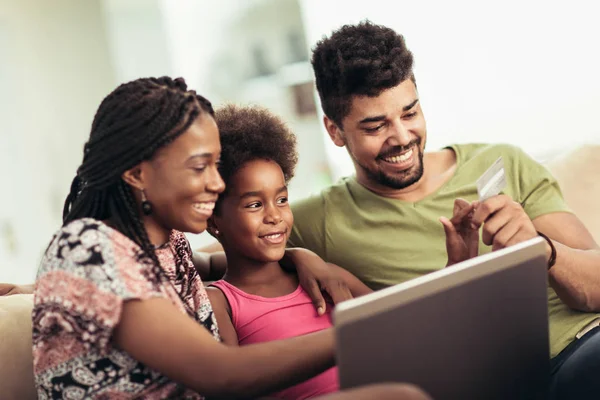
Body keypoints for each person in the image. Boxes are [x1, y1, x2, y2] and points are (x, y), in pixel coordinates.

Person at [24, 76, 432, 400]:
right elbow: (221, 374)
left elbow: (223, 264)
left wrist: (301, 256)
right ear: (136, 173)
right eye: (200, 167)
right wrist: (364, 329)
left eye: (217, 167)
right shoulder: (89, 246)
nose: (216, 184)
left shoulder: (163, 247)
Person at [285, 21, 600, 400]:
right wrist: (296, 254)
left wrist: (541, 247)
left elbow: (595, 289)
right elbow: (220, 251)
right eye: (375, 127)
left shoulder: (503, 160)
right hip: (486, 382)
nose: (401, 137)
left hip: (580, 349)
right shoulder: (315, 220)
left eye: (409, 113)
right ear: (335, 132)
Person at [205, 104, 376, 399]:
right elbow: (234, 387)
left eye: (282, 199)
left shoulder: (326, 276)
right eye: (255, 204)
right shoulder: (220, 303)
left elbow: (399, 323)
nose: (275, 216)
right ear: (213, 221)